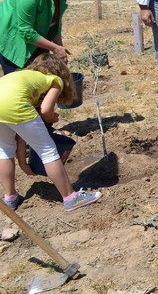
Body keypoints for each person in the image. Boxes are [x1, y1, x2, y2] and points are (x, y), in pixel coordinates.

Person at [0, 53, 102, 211]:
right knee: (47, 150)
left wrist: (23, 163)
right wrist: (52, 117)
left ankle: (10, 198)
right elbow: (46, 109)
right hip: (15, 105)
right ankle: (71, 198)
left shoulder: (25, 77)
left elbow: (20, 133)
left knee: (4, 150)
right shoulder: (55, 80)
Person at [0, 0, 72, 74]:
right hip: (12, 40)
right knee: (21, 85)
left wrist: (60, 50)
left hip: (37, 38)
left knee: (42, 81)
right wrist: (55, 48)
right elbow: (25, 31)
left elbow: (56, 22)